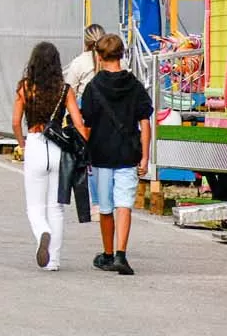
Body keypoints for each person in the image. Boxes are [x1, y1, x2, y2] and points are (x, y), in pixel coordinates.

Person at [12, 41, 88, 273]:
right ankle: (53, 261)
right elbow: (79, 123)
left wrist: (22, 143)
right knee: (56, 207)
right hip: (58, 149)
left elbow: (15, 122)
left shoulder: (25, 88)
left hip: (35, 144)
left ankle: (42, 232)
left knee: (34, 207)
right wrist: (84, 149)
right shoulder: (64, 90)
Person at [84, 34, 152, 275]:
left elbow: (87, 124)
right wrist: (145, 156)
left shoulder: (93, 87)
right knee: (124, 204)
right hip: (128, 154)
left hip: (100, 154)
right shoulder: (135, 86)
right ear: (122, 55)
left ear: (99, 56)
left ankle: (107, 253)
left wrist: (83, 152)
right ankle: (121, 254)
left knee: (105, 207)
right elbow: (145, 122)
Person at [63, 23, 106, 102]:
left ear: (85, 41)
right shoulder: (116, 61)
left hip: (83, 108)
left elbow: (69, 94)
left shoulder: (78, 62)